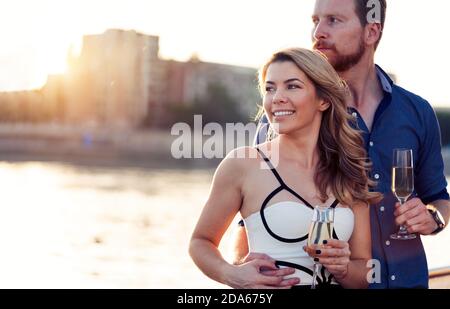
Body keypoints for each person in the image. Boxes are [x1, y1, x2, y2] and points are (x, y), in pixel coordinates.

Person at [234, 0, 450, 289]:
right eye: (315, 21)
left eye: (333, 20)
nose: (318, 32)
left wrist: (433, 218)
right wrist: (240, 267)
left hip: (409, 281)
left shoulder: (417, 111)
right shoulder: (289, 114)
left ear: (371, 31)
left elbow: (439, 198)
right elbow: (250, 216)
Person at [189, 47, 381, 289]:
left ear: (323, 100)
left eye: (292, 86)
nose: (277, 97)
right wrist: (230, 274)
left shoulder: (350, 170)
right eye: (270, 88)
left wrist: (343, 268)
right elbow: (200, 242)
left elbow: (364, 271)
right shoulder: (243, 164)